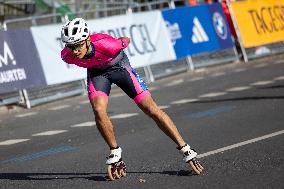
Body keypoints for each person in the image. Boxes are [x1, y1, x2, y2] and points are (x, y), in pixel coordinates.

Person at [60, 18, 204, 180]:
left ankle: (186, 149)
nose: (74, 51)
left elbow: (126, 40)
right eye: (70, 46)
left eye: (77, 45)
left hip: (119, 67)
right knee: (99, 110)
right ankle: (115, 153)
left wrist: (122, 40)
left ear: (87, 39)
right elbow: (73, 53)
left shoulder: (107, 44)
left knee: (151, 109)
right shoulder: (67, 56)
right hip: (97, 73)